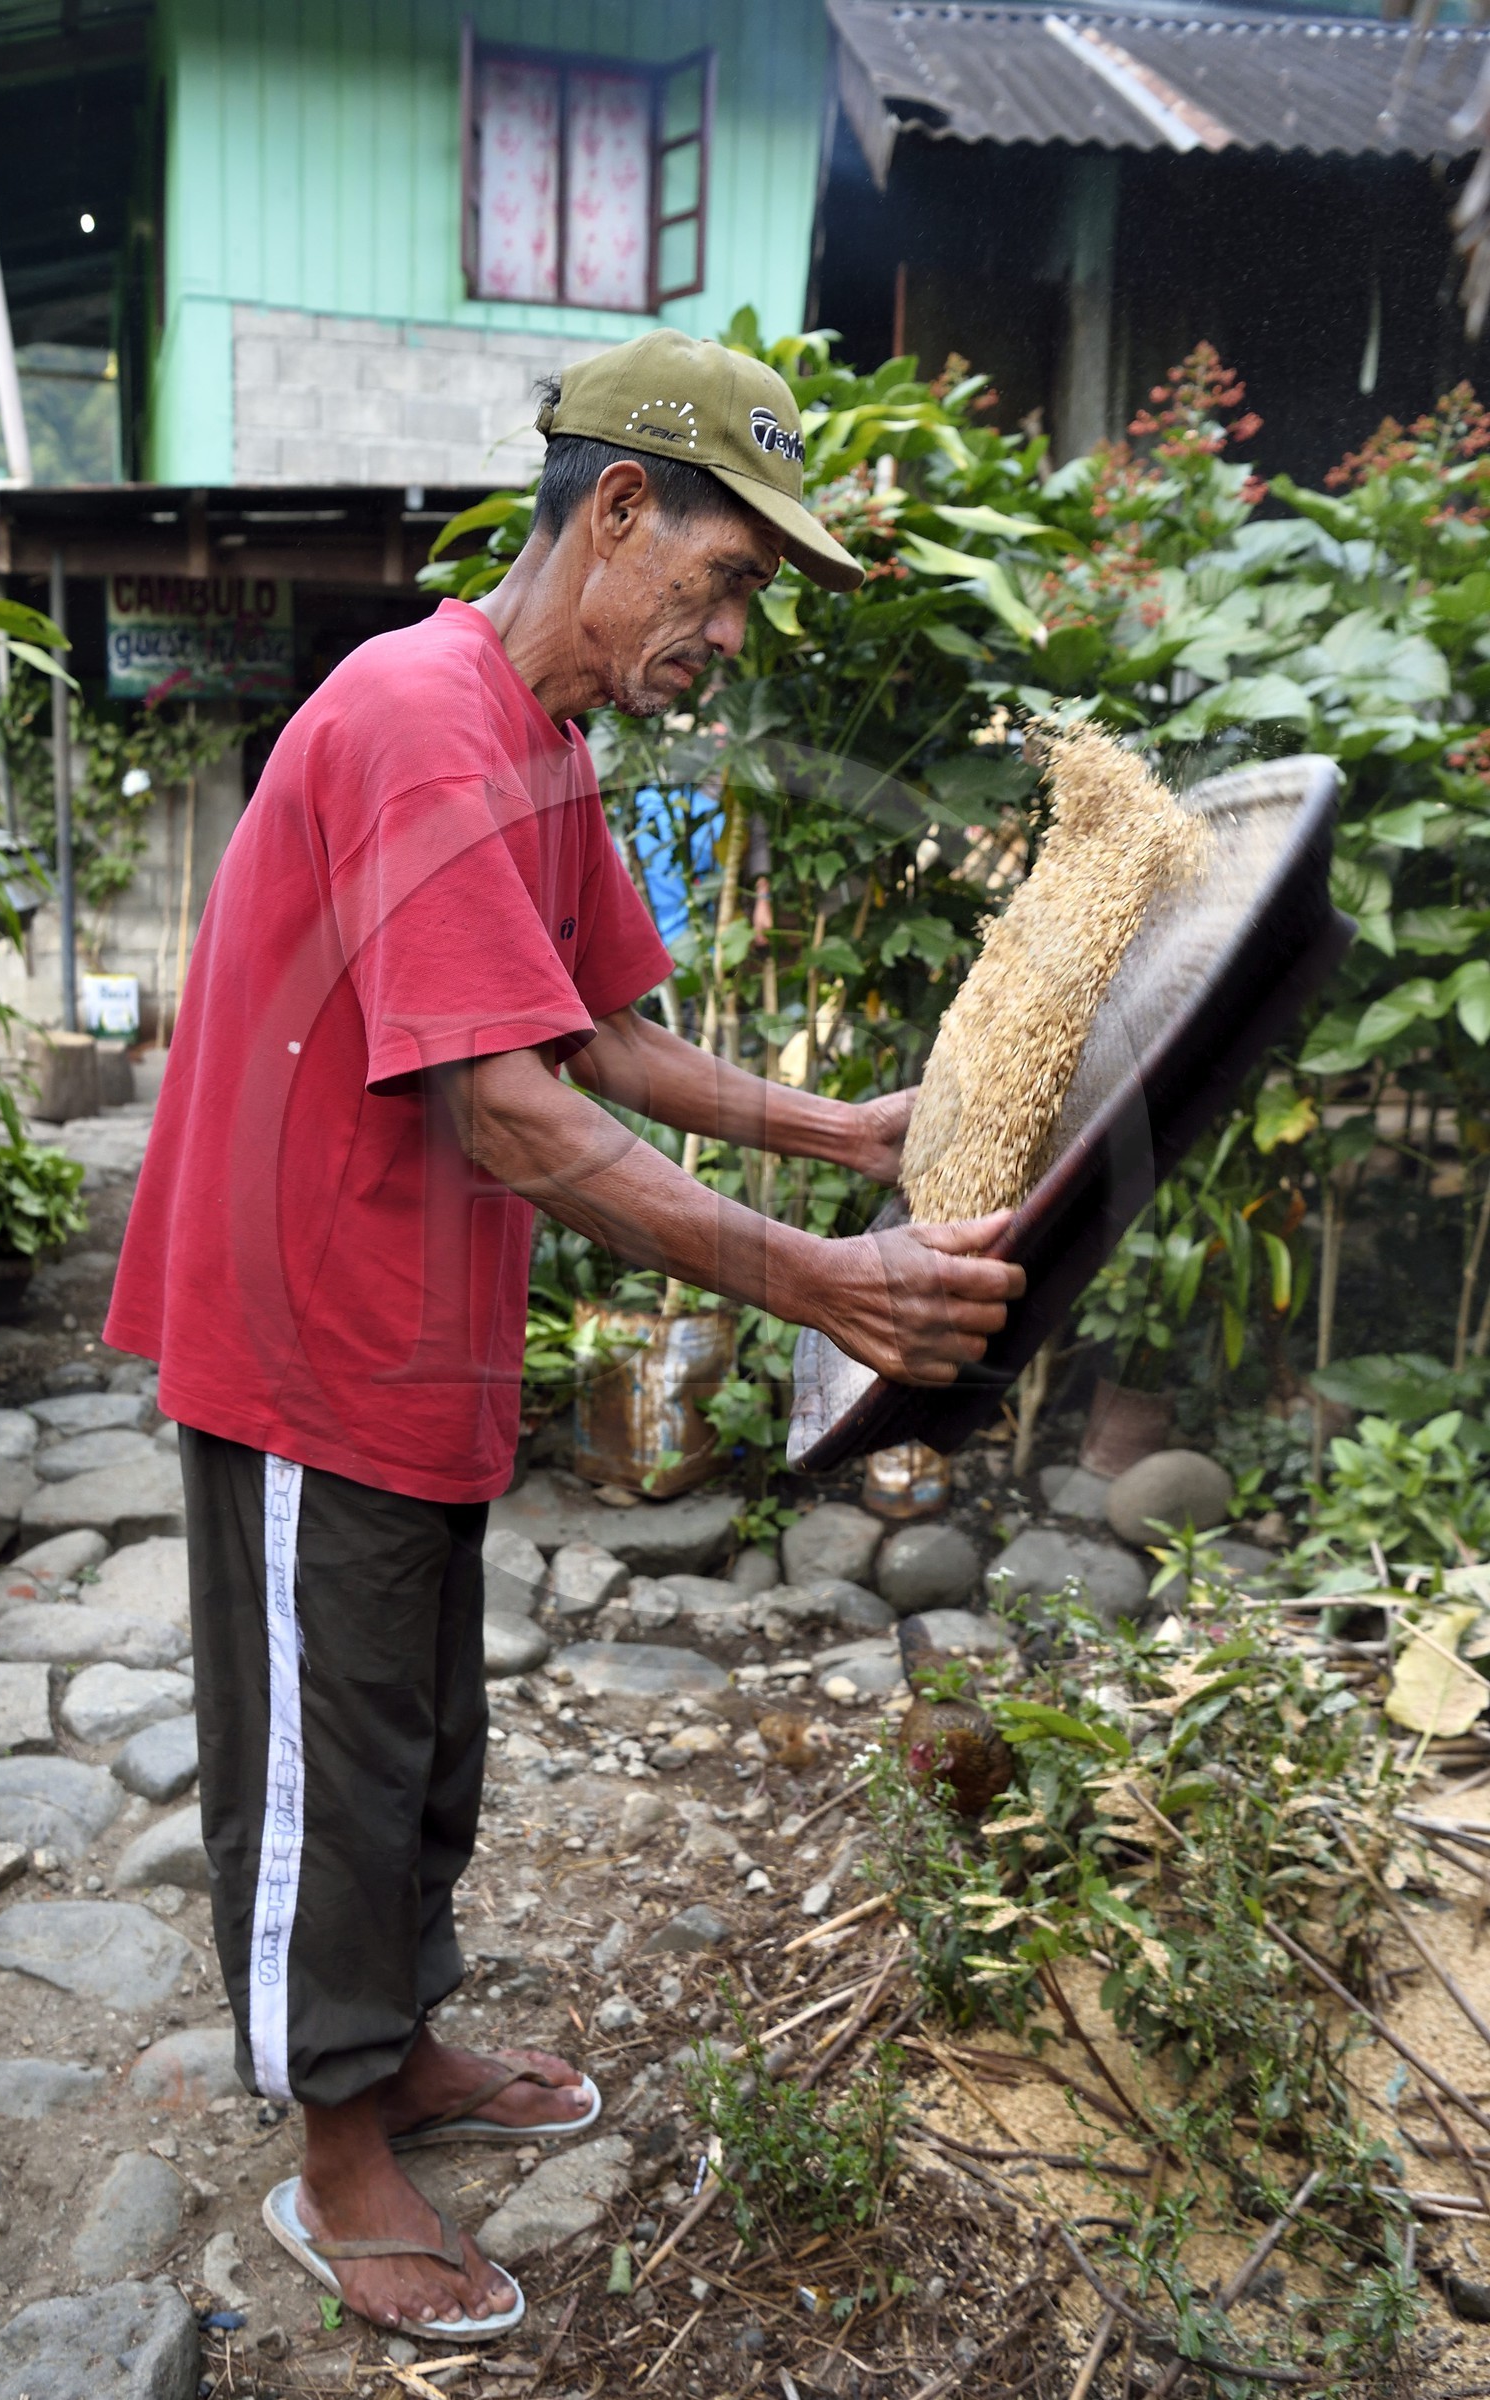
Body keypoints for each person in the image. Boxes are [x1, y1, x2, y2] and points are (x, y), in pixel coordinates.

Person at [103, 328, 1023, 2345]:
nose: (726, 631)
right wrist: (821, 1278)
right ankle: (334, 2146)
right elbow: (509, 1110)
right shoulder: (423, 714)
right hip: (300, 1327)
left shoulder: (525, 735)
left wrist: (836, 1134)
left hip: (409, 1325)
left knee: (423, 1725)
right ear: (617, 508)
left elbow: (591, 1028)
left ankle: (396, 2041)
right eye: (720, 578)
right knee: (328, 1755)